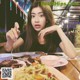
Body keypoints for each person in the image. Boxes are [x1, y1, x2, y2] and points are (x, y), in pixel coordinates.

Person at [4, 1, 77, 58]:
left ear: (47, 19)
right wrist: (9, 41)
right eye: (33, 16)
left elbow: (72, 55)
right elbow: (9, 49)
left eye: (41, 15)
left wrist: (58, 28)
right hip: (30, 71)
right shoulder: (28, 33)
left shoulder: (53, 34)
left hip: (50, 71)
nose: (36, 20)